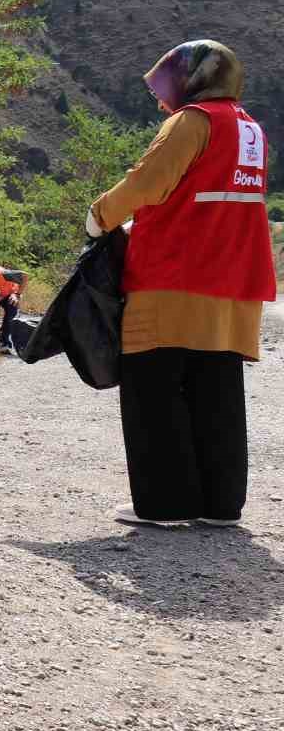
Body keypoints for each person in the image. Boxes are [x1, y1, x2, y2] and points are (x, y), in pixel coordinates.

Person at [87, 40, 275, 528]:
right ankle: (220, 504)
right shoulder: (250, 129)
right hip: (235, 281)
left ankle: (164, 503)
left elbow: (148, 182)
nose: (161, 99)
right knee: (217, 391)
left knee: (155, 388)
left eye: (168, 85)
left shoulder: (193, 122)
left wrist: (102, 216)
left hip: (173, 277)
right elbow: (206, 197)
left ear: (194, 80)